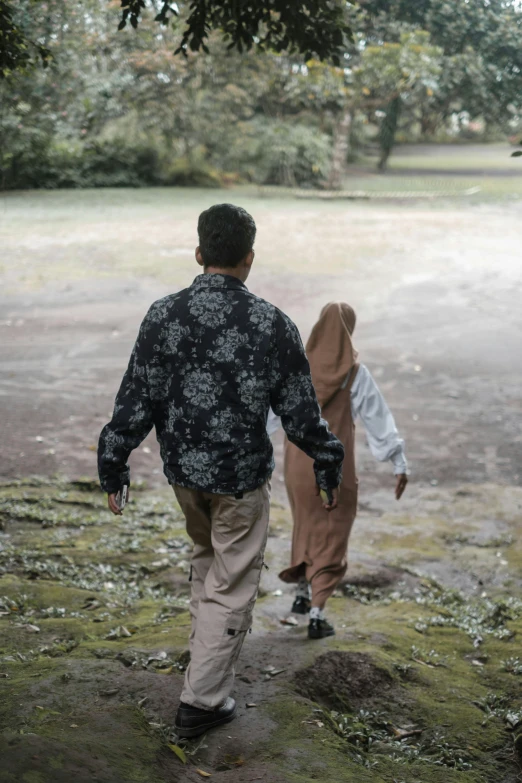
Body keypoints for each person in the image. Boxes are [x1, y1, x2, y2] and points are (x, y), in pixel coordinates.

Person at [97, 204, 344, 738]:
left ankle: (203, 661)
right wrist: (329, 461)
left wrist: (113, 460)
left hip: (183, 474)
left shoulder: (162, 314)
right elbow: (302, 415)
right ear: (249, 259)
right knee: (230, 582)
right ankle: (202, 701)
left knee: (206, 561)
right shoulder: (272, 323)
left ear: (199, 253)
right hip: (239, 479)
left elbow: (136, 398)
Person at [268, 302, 408, 640]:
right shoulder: (355, 373)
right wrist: (398, 460)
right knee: (334, 529)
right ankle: (317, 612)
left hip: (296, 465)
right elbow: (378, 419)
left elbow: (272, 414)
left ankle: (301, 595)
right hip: (335, 465)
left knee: (306, 522)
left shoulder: (295, 367)